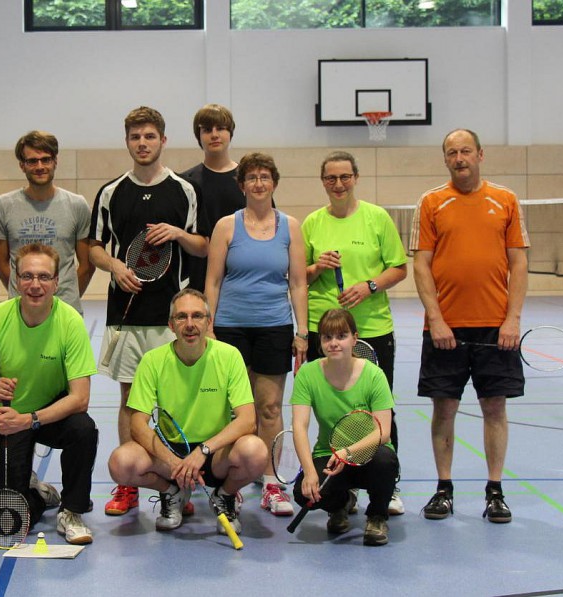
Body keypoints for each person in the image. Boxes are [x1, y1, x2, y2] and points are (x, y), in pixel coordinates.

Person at [90, 106, 208, 517]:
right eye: (135, 137)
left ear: (163, 140)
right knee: (129, 400)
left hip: (171, 317)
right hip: (125, 315)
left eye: (149, 136)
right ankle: (129, 487)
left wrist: (178, 233)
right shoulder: (110, 192)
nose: (142, 143)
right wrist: (116, 267)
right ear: (127, 142)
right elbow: (93, 247)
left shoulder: (184, 190)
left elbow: (203, 245)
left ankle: (177, 482)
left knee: (172, 401)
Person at [412, 129, 528, 524]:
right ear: (445, 159)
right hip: (445, 330)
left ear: (480, 154)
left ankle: (495, 491)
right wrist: (437, 319)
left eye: (465, 151)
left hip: (496, 328)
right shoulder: (431, 202)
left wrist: (512, 319)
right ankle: (443, 489)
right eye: (451, 153)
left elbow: (519, 263)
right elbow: (421, 264)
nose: (459, 158)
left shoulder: (506, 200)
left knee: (494, 408)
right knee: (444, 409)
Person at [108, 289, 266, 536]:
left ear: (208, 321)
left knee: (255, 451)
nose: (190, 324)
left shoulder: (229, 356)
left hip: (214, 454)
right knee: (121, 462)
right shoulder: (152, 361)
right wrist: (174, 462)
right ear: (171, 324)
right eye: (181, 317)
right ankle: (172, 493)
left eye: (197, 316)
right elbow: (138, 424)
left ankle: (224, 495)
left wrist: (203, 451)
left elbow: (247, 420)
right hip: (170, 454)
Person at [302, 150, 408, 515]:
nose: (338, 184)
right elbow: (299, 275)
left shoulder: (376, 218)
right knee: (331, 407)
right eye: (331, 178)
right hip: (326, 329)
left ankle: (387, 486)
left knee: (378, 409)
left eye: (345, 176)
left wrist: (369, 287)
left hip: (373, 329)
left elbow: (398, 268)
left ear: (356, 178)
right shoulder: (313, 223)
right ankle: (339, 485)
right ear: (323, 182)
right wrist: (318, 265)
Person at [0, 244, 98, 545]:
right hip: (4, 420)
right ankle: (37, 494)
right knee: (8, 523)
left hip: (45, 414)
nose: (35, 285)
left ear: (56, 282)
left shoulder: (69, 322)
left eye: (44, 276)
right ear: (16, 280)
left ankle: (71, 510)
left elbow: (80, 398)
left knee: (83, 428)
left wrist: (28, 420)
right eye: (27, 276)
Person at [205, 152, 308, 517]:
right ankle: (228, 484)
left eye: (265, 177)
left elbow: (297, 282)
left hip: (274, 327)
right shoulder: (226, 227)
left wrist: (302, 332)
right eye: (252, 178)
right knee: (229, 409)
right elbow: (213, 281)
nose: (259, 183)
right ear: (242, 185)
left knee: (268, 408)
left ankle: (271, 483)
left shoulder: (291, 227)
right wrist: (209, 326)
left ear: (274, 183)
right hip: (230, 326)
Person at [291, 309, 398, 546]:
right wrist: (309, 472)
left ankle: (377, 516)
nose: (334, 343)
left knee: (386, 461)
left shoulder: (374, 375)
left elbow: (384, 432)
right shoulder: (308, 374)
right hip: (328, 455)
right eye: (327, 337)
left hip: (367, 453)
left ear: (354, 339)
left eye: (341, 336)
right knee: (303, 493)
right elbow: (299, 426)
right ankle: (340, 505)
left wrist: (348, 453)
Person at [0, 131, 95, 313]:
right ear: (22, 165)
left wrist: (66, 299)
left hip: (66, 309)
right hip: (20, 311)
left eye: (46, 159)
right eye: (32, 161)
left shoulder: (77, 205)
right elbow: (1, 264)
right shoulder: (4, 205)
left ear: (55, 162)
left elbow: (87, 265)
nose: (40, 166)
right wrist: (25, 293)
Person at [179, 104, 248, 292]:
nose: (214, 134)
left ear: (230, 133)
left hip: (241, 278)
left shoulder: (249, 180)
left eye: (221, 128)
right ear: (199, 136)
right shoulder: (186, 183)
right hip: (197, 280)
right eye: (207, 130)